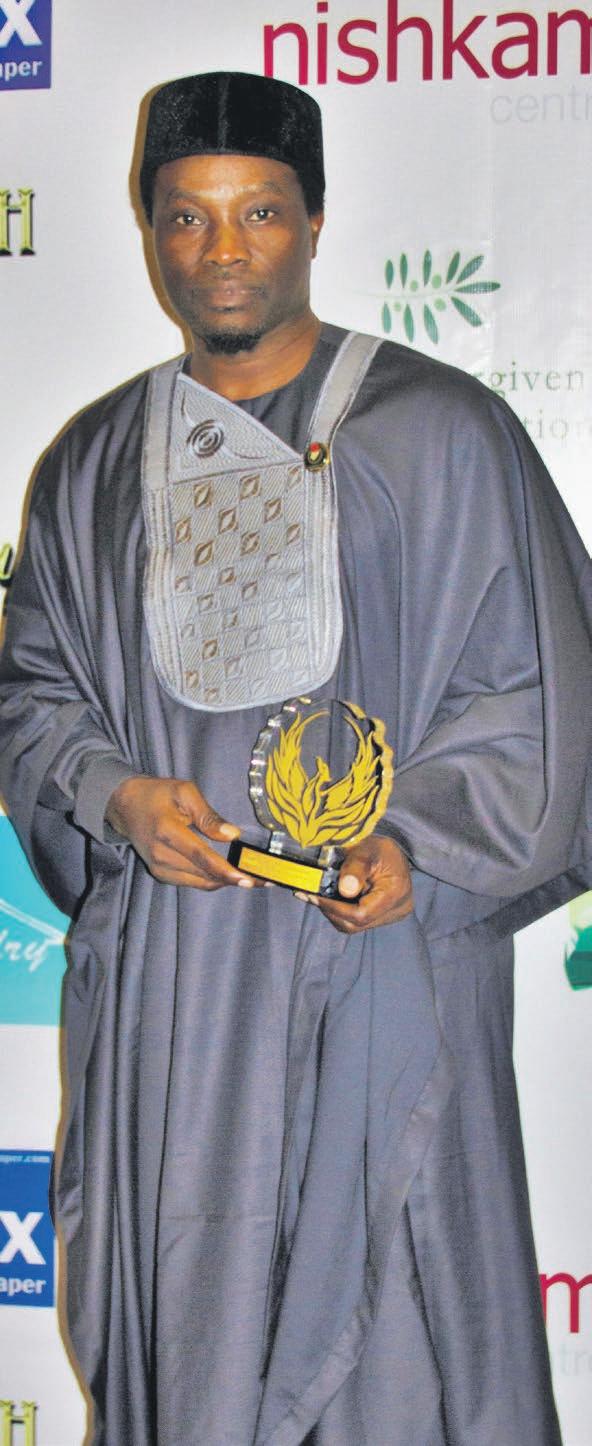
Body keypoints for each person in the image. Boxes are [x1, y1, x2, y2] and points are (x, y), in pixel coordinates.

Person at [0, 70, 590, 1446]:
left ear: (316, 220)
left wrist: (423, 842)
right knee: (191, 1329)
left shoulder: (447, 436)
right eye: (186, 215)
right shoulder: (89, 468)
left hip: (385, 965)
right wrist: (115, 797)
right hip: (181, 993)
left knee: (404, 1348)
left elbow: (542, 696)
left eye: (259, 211)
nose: (223, 249)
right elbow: (33, 698)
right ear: (148, 230)